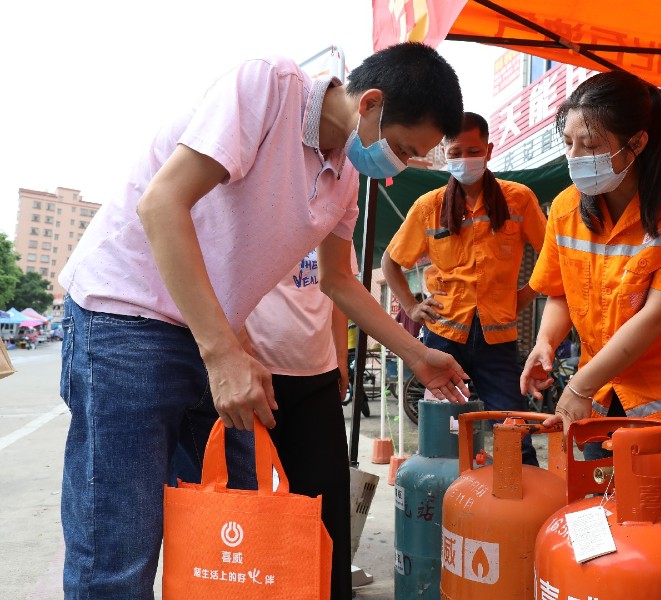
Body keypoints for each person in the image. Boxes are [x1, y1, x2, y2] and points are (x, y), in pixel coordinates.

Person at [57, 42, 468, 599]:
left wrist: (418, 355)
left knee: (230, 537)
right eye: (401, 148)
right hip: (125, 321)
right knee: (119, 548)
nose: (398, 163)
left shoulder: (345, 175)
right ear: (370, 103)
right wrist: (224, 352)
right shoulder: (268, 89)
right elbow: (162, 204)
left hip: (206, 334)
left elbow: (338, 281)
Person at [520, 71, 661, 528]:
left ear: (637, 142)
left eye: (591, 145)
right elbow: (559, 291)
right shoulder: (564, 207)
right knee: (595, 519)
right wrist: (545, 342)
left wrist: (577, 386)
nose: (575, 158)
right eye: (570, 143)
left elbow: (658, 314)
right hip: (601, 393)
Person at [382, 112, 547, 466]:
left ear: (488, 150)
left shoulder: (519, 199)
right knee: (443, 439)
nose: (463, 160)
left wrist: (525, 296)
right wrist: (411, 307)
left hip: (497, 340)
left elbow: (553, 256)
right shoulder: (430, 206)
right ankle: (450, 508)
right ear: (445, 152)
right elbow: (390, 263)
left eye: (472, 151)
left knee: (514, 434)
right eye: (455, 152)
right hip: (443, 338)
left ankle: (521, 513)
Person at [242, 248, 356, 599]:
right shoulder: (249, 197)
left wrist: (339, 357)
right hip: (252, 375)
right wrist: (235, 353)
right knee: (247, 503)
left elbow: (339, 287)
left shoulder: (334, 203)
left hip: (317, 375)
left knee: (325, 508)